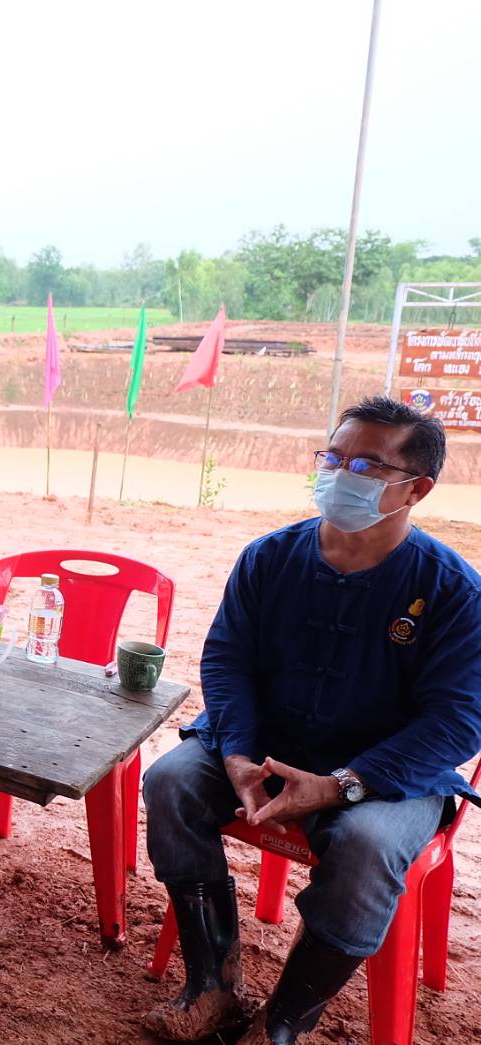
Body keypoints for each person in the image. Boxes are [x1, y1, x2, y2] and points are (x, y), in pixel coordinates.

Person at [142, 395, 481, 1044]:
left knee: (367, 847)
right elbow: (227, 660)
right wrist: (237, 755)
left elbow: (458, 721)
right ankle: (213, 986)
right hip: (267, 748)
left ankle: (281, 1024)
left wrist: (339, 784)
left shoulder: (452, 592)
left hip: (390, 774)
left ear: (417, 489)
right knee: (171, 781)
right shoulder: (268, 557)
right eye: (333, 458)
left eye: (367, 465)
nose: (341, 475)